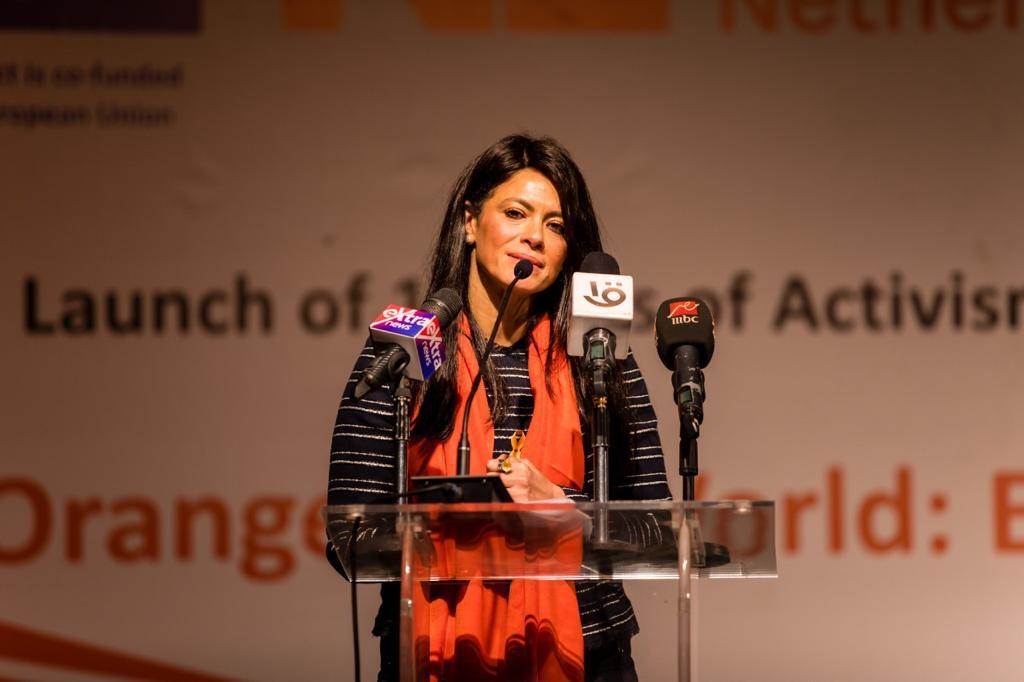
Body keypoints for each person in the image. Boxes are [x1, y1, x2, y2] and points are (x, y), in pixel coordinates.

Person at [327, 134, 671, 681]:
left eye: (556, 226)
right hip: (433, 650)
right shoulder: (402, 354)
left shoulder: (601, 359)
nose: (534, 236)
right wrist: (457, 523)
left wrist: (563, 510)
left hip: (588, 653)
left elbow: (658, 530)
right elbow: (349, 536)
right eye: (515, 213)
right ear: (470, 221)